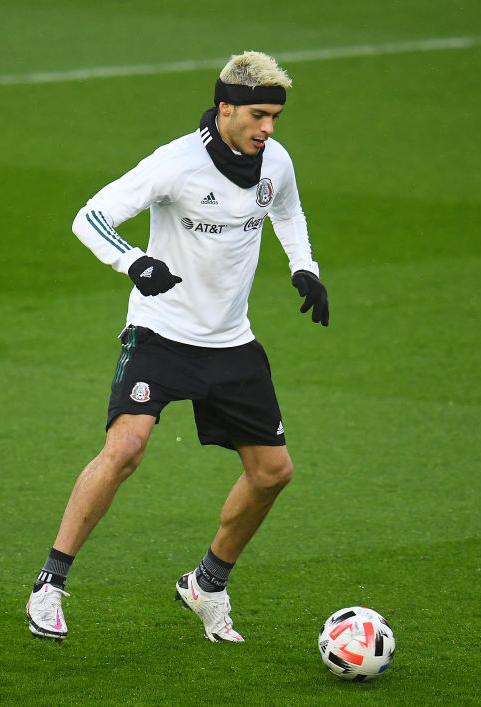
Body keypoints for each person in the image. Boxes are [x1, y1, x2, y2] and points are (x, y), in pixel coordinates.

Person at [26, 51, 330, 643]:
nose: (268, 128)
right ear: (226, 108)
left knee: (273, 473)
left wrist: (305, 267)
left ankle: (207, 584)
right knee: (125, 449)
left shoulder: (276, 161)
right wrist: (134, 261)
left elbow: (288, 211)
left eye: (275, 117)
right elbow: (91, 217)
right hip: (161, 337)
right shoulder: (177, 163)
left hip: (231, 342)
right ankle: (50, 584)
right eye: (259, 116)